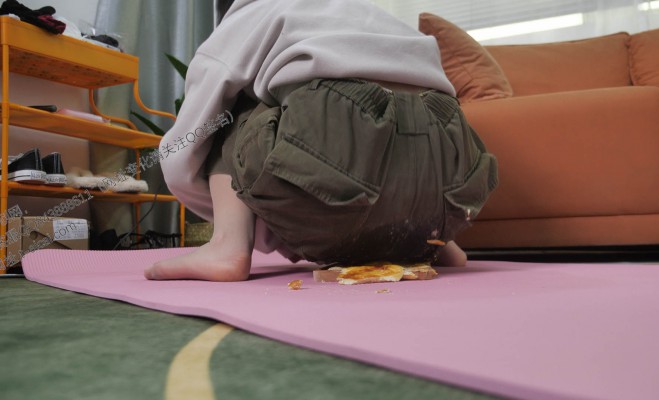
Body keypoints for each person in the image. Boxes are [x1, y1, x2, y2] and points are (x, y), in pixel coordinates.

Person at [144, 0, 498, 282]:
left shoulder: (250, 15)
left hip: (341, 161)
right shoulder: (369, 13)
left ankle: (227, 245)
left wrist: (268, 220)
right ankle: (439, 243)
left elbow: (189, 140)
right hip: (452, 182)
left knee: (226, 111)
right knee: (415, 110)